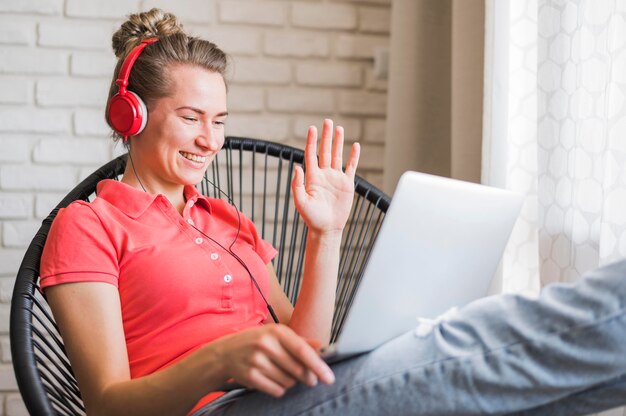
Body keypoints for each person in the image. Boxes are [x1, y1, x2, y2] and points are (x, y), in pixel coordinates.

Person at [40, 8, 626, 416]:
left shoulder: (225, 222)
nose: (209, 141)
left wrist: (326, 234)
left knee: (494, 376)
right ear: (130, 116)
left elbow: (307, 346)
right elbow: (108, 404)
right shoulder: (88, 225)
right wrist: (218, 361)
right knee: (458, 353)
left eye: (219, 122)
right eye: (191, 118)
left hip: (294, 399)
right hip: (219, 410)